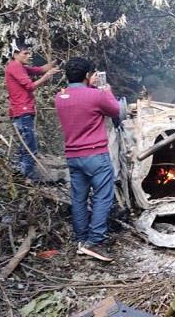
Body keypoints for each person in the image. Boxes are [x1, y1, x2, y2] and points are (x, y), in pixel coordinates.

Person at [54, 57, 120, 262]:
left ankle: (82, 240)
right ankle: (95, 242)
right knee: (103, 197)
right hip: (96, 156)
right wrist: (106, 90)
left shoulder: (59, 96)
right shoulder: (96, 95)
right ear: (87, 76)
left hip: (73, 157)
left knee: (79, 199)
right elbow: (117, 111)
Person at [4, 41, 60, 181]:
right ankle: (26, 178)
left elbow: (39, 70)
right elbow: (29, 86)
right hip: (22, 111)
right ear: (15, 54)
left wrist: (55, 63)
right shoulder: (15, 67)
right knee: (30, 147)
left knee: (25, 146)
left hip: (22, 111)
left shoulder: (20, 67)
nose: (28, 56)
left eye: (29, 53)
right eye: (25, 53)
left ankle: (19, 176)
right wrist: (47, 77)